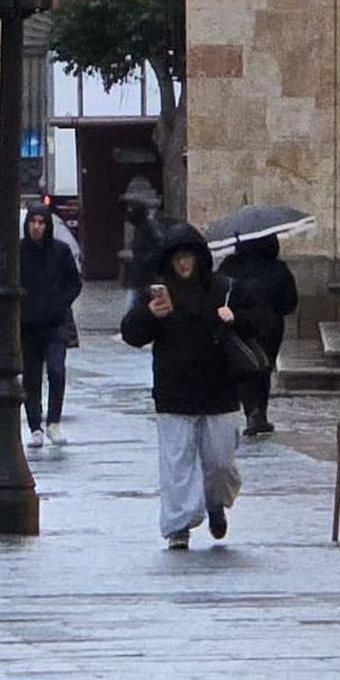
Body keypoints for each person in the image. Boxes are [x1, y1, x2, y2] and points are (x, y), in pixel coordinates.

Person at [121, 224, 266, 550]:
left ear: (199, 258)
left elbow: (262, 320)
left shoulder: (224, 290)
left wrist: (235, 317)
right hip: (174, 393)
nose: (183, 263)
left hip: (220, 392)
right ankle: (178, 526)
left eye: (188, 257)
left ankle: (215, 502)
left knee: (220, 463)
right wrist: (149, 315)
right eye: (177, 258)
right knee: (177, 464)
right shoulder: (157, 295)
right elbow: (131, 333)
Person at [216, 234, 299, 436]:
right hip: (270, 326)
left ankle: (251, 410)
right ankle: (259, 412)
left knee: (244, 365)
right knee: (264, 367)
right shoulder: (278, 269)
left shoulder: (230, 266)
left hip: (238, 322)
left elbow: (218, 291)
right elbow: (289, 302)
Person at [19, 205, 82, 447]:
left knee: (56, 370)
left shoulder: (61, 251)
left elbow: (74, 283)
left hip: (55, 323)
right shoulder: (19, 252)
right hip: (28, 325)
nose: (37, 227)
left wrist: (60, 302)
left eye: (41, 222)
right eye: (33, 222)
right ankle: (35, 425)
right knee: (31, 376)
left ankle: (54, 421)